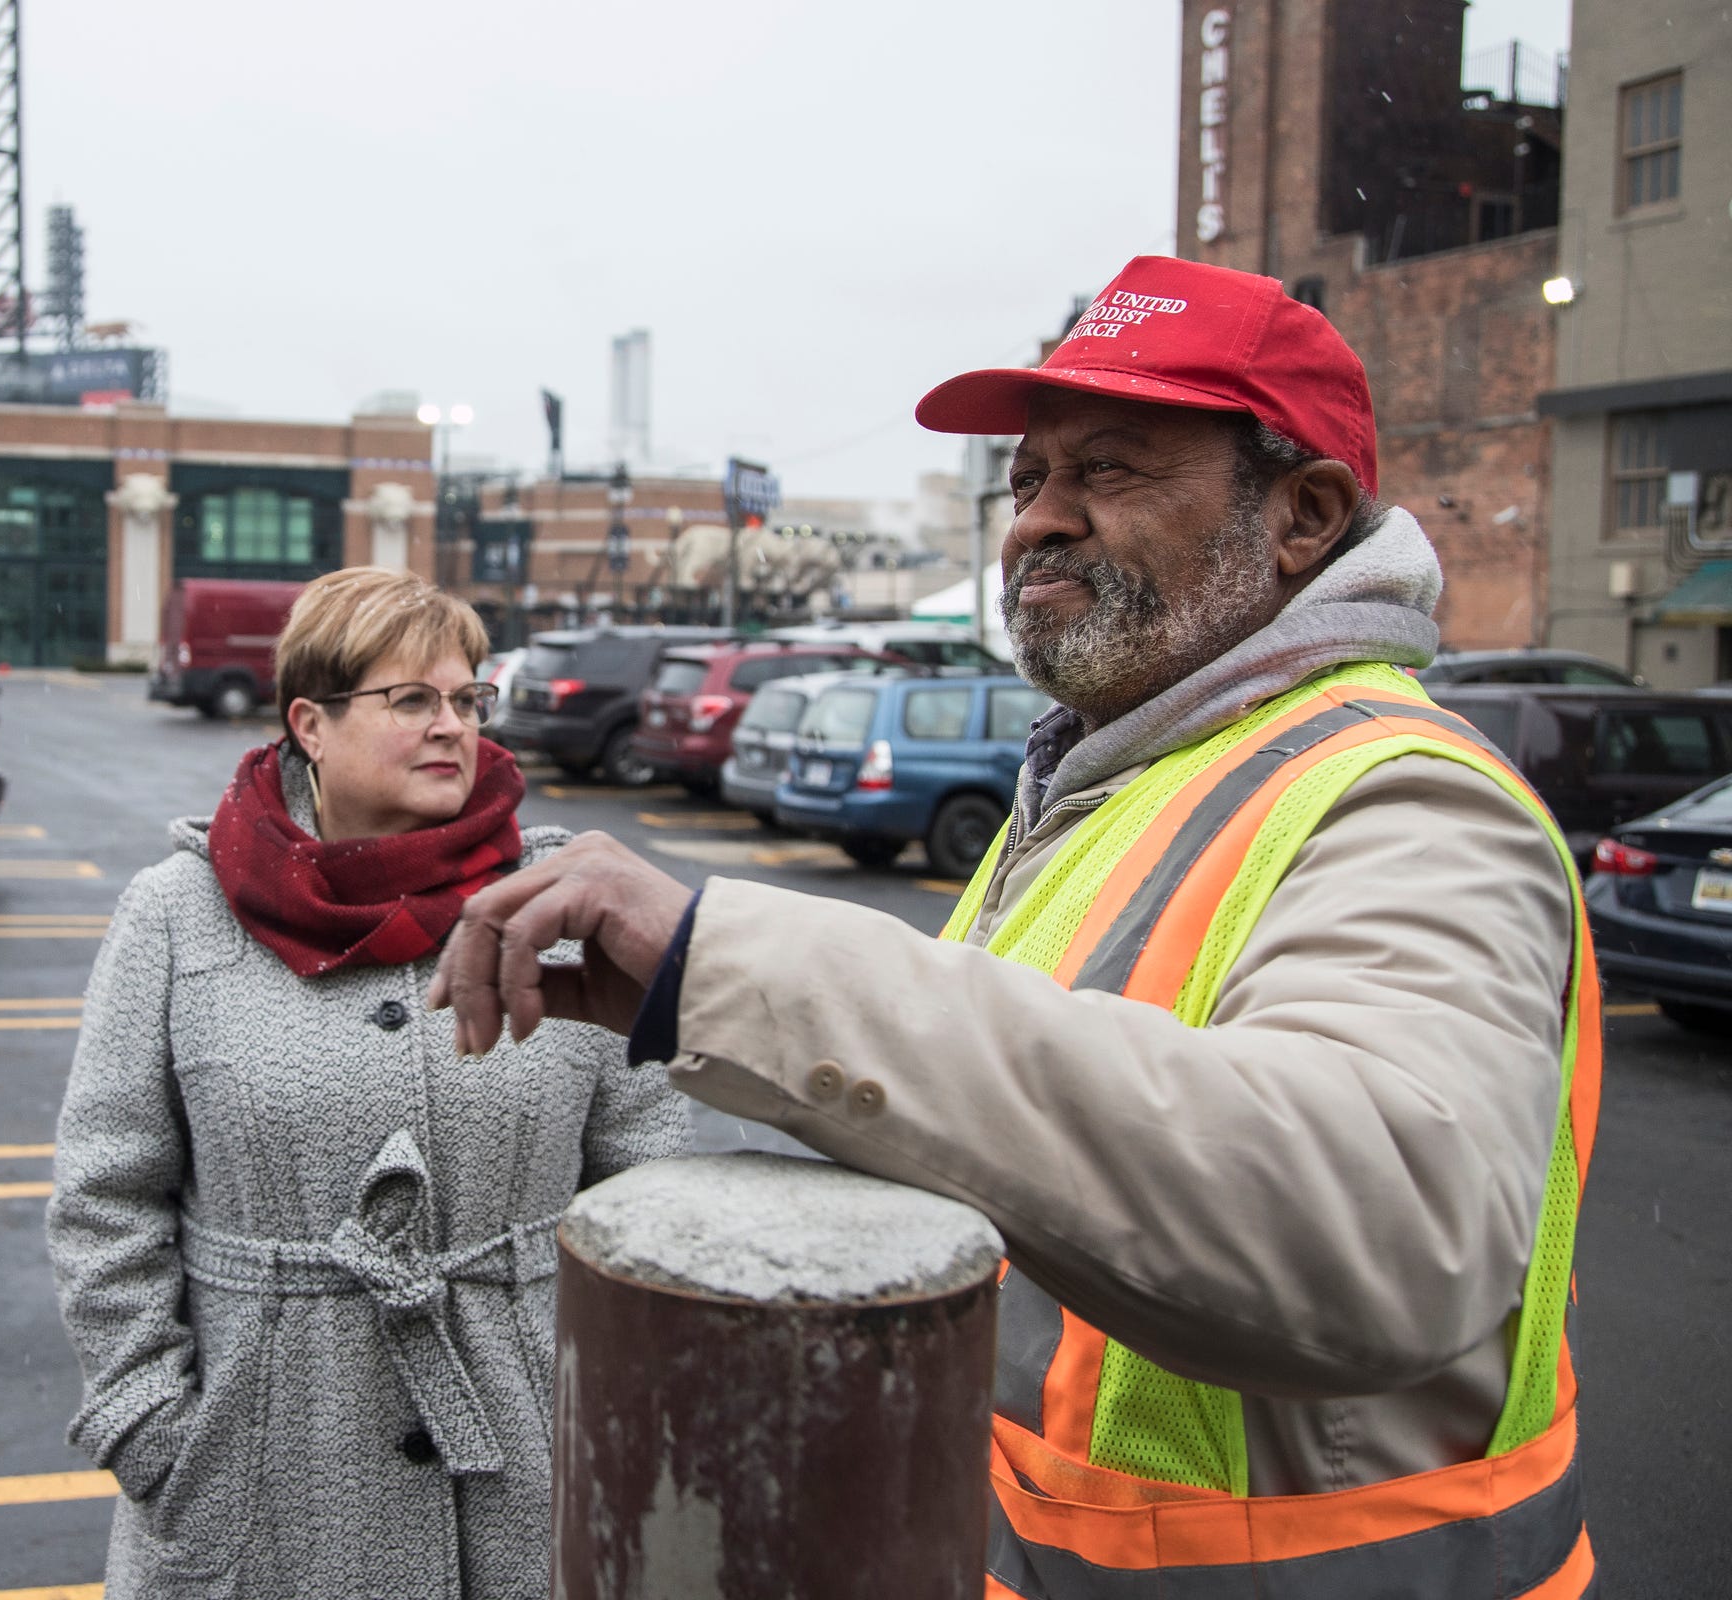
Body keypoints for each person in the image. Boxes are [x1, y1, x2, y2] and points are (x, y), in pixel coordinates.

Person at [430, 256, 1602, 1598]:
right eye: (1024, 480)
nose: (1036, 522)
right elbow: (1018, 1091)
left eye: (1107, 471)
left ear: (1306, 515)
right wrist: (680, 991)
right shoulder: (1114, 776)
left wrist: (725, 964)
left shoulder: (1402, 796)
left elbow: (1386, 1232)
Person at [49, 567, 687, 1600]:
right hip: (253, 1479)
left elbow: (649, 1179)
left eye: (468, 699)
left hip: (533, 1467)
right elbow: (105, 1197)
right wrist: (153, 1432)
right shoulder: (177, 915)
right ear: (311, 721)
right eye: (412, 700)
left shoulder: (563, 897)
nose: (453, 726)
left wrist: (626, 1416)